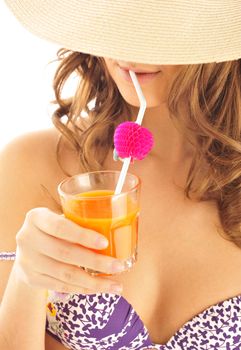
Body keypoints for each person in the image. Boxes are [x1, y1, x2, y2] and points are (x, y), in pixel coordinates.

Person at [0, 1, 241, 349]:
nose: (127, 49)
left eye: (156, 22)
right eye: (117, 20)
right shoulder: (28, 166)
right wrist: (26, 280)